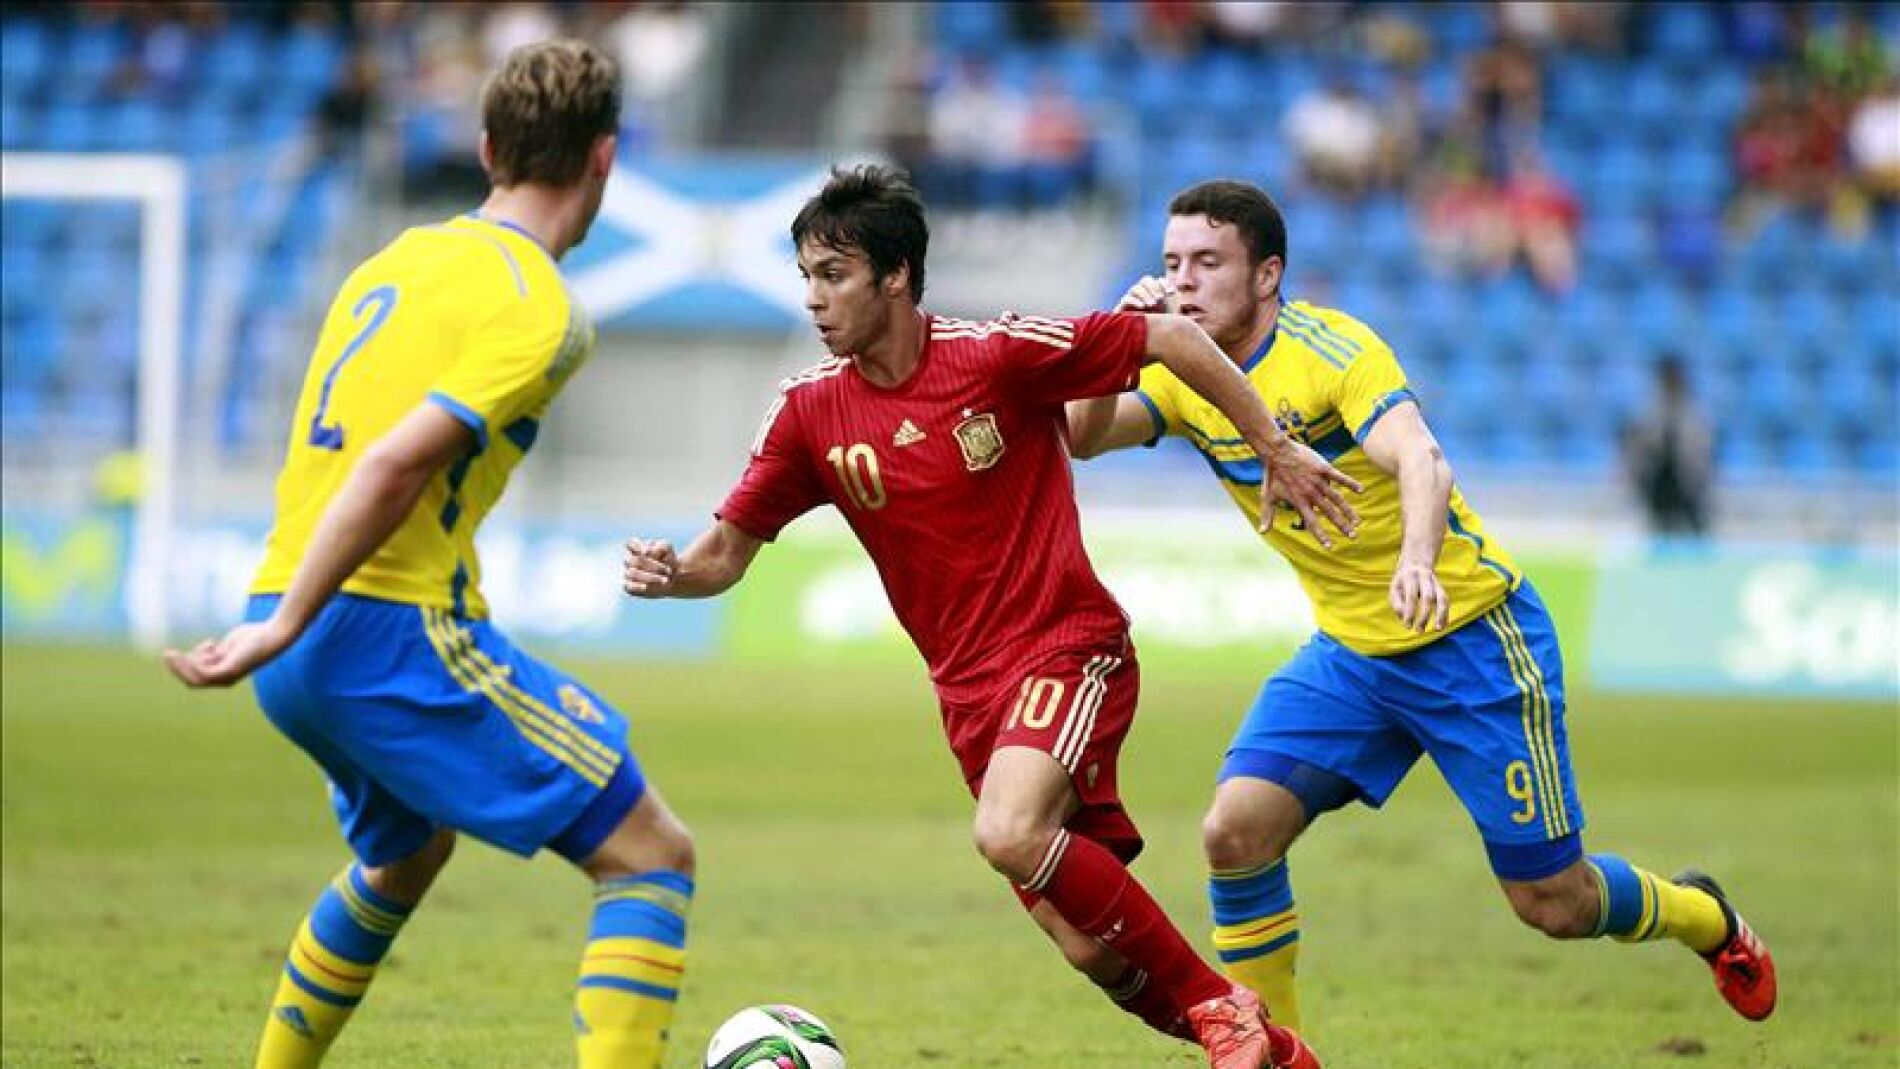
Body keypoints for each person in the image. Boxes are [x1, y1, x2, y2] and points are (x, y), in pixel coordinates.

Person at [621, 165, 1359, 1069]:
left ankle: (1222, 1009)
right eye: (807, 275)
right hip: (969, 698)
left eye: (833, 275)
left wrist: (1273, 446)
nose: (812, 297)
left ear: (896, 274)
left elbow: (1169, 335)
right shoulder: (809, 411)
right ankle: (1280, 1057)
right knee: (1091, 947)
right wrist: (672, 574)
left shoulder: (998, 352)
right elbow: (725, 554)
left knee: (1009, 831)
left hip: (1068, 647)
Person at [1067, 180, 1777, 1039]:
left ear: (1267, 275)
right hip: (1353, 658)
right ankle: (1274, 1054)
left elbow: (1421, 459)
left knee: (1554, 901)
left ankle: (1705, 916)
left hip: (1470, 640)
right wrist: (1112, 344)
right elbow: (1082, 435)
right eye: (1173, 261)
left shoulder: (1331, 350)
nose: (1183, 279)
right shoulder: (1183, 372)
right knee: (1234, 832)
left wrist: (1414, 559)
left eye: (1208, 261)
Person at [163, 41, 695, 1069]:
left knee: (405, 853)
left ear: (488, 148)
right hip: (378, 625)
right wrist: (292, 622)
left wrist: (280, 616)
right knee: (651, 854)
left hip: (290, 613)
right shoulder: (541, 307)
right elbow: (392, 464)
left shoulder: (388, 265)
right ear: (605, 157)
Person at [1622, 354, 1715, 538]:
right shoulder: (1649, 411)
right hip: (1658, 482)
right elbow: (1637, 447)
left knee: (1695, 534)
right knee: (1660, 531)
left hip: (1688, 483)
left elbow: (1702, 450)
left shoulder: (1694, 412)